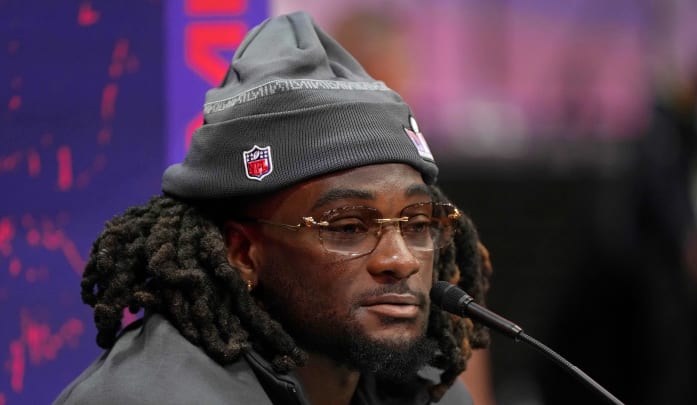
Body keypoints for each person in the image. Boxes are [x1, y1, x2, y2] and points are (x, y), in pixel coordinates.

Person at [53, 11, 492, 405]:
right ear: (243, 253)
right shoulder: (144, 398)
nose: (400, 259)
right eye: (348, 227)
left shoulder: (431, 392)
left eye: (417, 223)